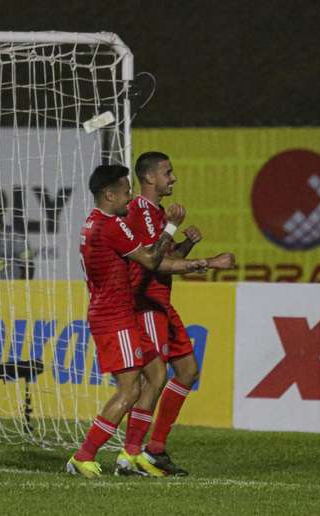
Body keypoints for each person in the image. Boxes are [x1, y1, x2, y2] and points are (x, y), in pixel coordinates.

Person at [66, 164, 208, 478]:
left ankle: (130, 455)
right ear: (109, 194)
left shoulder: (95, 223)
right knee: (129, 391)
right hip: (113, 317)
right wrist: (171, 227)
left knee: (157, 374)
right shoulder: (111, 226)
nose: (129, 198)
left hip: (122, 313)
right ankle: (83, 455)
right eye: (126, 192)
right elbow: (151, 260)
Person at [118, 151, 235, 477]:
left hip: (162, 303)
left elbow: (167, 258)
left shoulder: (156, 212)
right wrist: (209, 263)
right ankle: (129, 455)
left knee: (187, 371)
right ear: (150, 178)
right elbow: (154, 263)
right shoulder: (139, 211)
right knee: (153, 378)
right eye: (168, 173)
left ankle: (155, 450)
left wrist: (187, 246)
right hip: (145, 305)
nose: (174, 178)